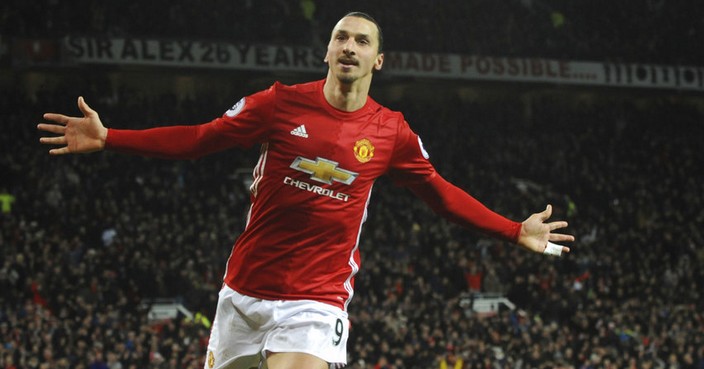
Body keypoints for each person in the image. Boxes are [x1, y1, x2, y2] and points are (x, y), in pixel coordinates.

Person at [38, 11, 574, 369]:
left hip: (315, 301)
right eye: (341, 37)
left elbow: (439, 193)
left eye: (362, 41)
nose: (349, 46)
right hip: (243, 292)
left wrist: (511, 230)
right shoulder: (279, 104)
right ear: (326, 51)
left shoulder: (391, 131)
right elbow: (200, 139)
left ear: (377, 61)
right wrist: (111, 138)